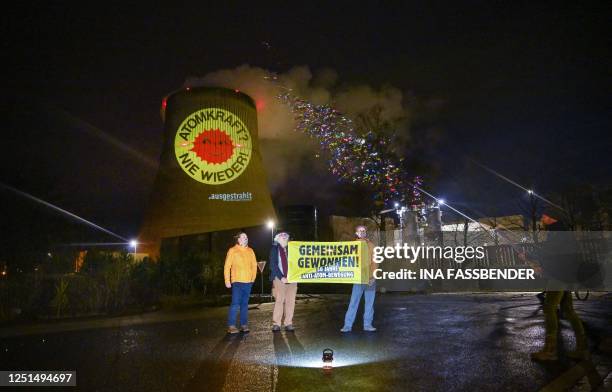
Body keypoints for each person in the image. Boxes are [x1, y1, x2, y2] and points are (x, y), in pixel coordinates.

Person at [530, 212, 588, 361]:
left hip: (559, 277)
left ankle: (550, 351)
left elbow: (556, 258)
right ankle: (582, 349)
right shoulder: (562, 232)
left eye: (544, 216)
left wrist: (542, 268)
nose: (542, 219)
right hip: (565, 277)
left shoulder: (556, 233)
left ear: (552, 218)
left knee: (549, 307)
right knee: (568, 311)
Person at [341, 225, 378, 332]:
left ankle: (367, 325)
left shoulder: (371, 245)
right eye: (359, 231)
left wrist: (373, 276)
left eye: (363, 231)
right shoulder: (352, 246)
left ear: (366, 232)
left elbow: (375, 262)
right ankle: (347, 325)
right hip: (357, 279)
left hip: (370, 279)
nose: (362, 232)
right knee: (353, 302)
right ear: (356, 233)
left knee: (369, 304)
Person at [224, 231, 257, 334]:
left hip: (248, 282)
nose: (245, 239)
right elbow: (227, 266)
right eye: (243, 237)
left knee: (244, 304)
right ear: (238, 239)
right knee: (235, 304)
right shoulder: (232, 250)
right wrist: (227, 280)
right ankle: (231, 326)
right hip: (237, 282)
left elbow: (254, 265)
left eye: (246, 237)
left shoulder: (250, 251)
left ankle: (244, 325)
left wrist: (252, 279)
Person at [269, 231, 298, 332]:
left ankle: (288, 323)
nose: (284, 237)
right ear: (277, 238)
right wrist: (281, 277)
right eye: (282, 235)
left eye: (286, 235)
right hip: (279, 278)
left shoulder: (293, 248)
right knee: (279, 300)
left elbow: (298, 262)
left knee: (290, 301)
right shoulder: (274, 249)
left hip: (292, 279)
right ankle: (276, 323)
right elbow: (273, 265)